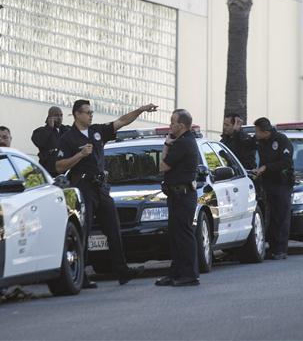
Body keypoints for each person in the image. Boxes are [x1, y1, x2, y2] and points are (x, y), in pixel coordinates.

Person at [56, 99, 157, 288]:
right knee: (84, 232)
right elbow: (59, 166)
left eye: (91, 112)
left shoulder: (97, 131)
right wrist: (80, 155)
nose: (91, 115)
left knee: (113, 228)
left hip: (101, 187)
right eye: (87, 112)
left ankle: (122, 271)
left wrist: (141, 110)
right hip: (83, 187)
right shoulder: (67, 138)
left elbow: (122, 121)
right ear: (77, 114)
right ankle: (81, 276)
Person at [155, 109, 200, 287]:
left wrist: (166, 144)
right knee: (175, 236)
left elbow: (163, 166)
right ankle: (176, 272)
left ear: (181, 125)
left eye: (173, 122)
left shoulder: (183, 143)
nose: (170, 125)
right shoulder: (182, 141)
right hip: (177, 195)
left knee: (183, 236)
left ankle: (189, 274)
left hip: (183, 195)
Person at [253, 117, 295, 260]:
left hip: (282, 183)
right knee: (271, 216)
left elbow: (286, 162)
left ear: (265, 131)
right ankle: (272, 247)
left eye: (258, 132)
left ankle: (281, 249)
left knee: (282, 216)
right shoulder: (260, 141)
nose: (256, 134)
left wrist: (266, 167)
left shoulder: (281, 140)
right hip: (267, 184)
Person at [31, 106, 71, 171]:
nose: (59, 118)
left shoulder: (66, 130)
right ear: (49, 117)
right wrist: (49, 128)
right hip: (48, 169)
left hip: (64, 168)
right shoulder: (40, 131)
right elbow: (39, 142)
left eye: (61, 115)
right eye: (56, 115)